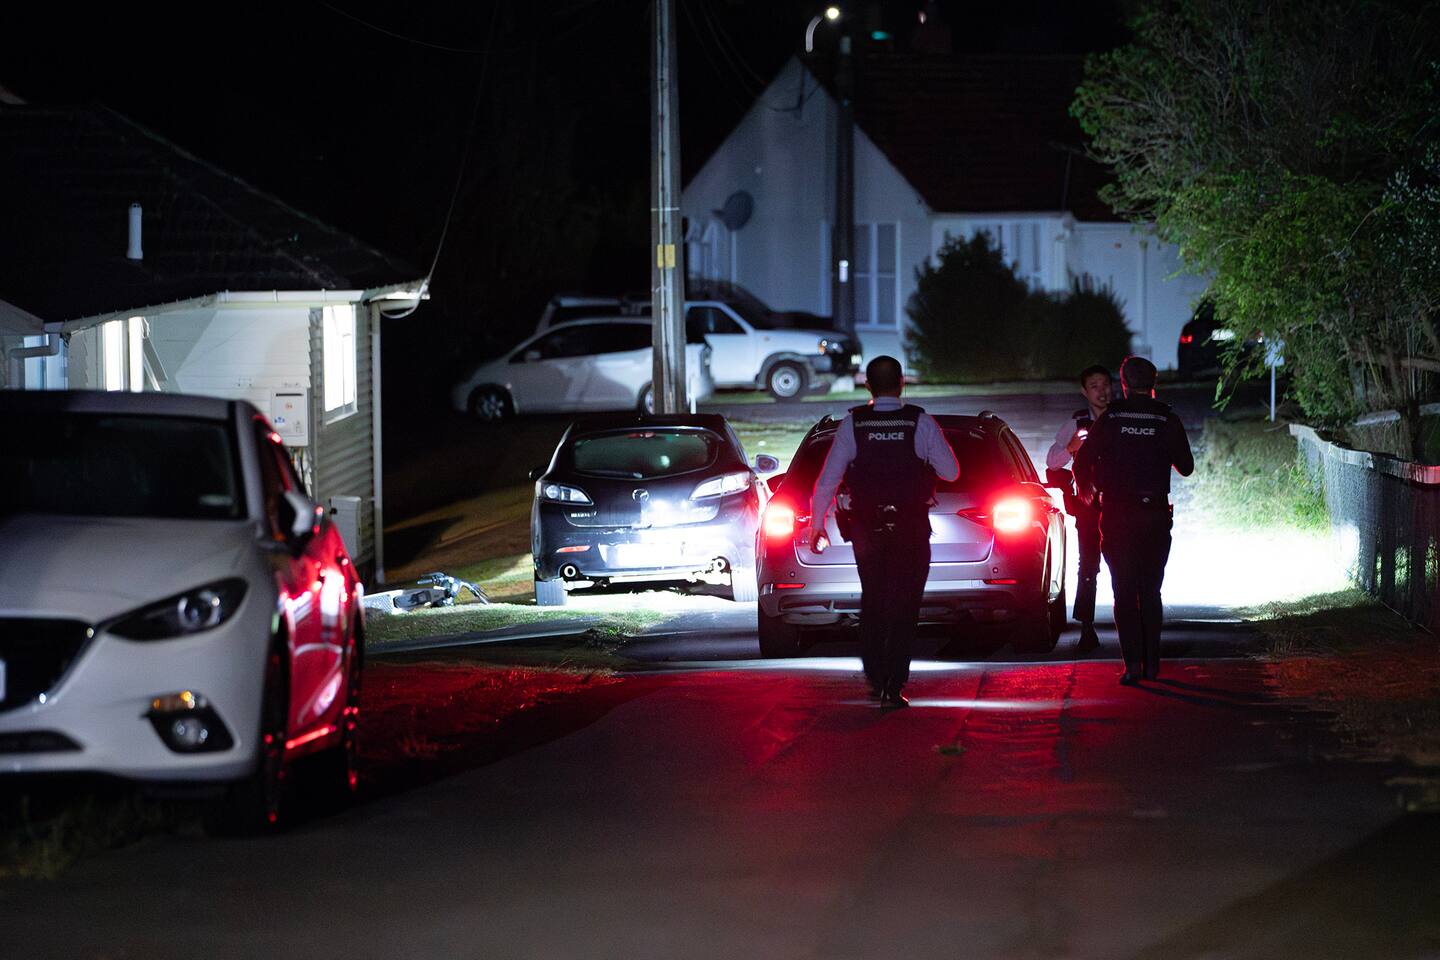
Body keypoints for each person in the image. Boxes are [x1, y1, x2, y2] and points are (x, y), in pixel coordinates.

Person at [809, 356, 959, 708]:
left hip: (868, 528)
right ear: (902, 383)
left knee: (874, 599)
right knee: (906, 604)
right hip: (910, 527)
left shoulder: (854, 424)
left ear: (868, 386)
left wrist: (817, 524)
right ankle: (894, 684)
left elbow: (828, 479)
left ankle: (876, 676)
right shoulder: (920, 422)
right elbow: (951, 472)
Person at [1073, 356, 1194, 685]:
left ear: (1123, 385)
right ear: (1154, 384)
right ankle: (1153, 664)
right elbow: (1186, 467)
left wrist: (1087, 490)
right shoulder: (1166, 418)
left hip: (1116, 516)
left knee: (1124, 591)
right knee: (1151, 591)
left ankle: (1133, 667)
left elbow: (1082, 460)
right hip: (1154, 516)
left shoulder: (1111, 417)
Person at [1045, 364, 1113, 653]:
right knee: (1088, 566)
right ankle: (1086, 626)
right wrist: (1071, 447)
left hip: (1121, 503)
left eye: (1106, 385)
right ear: (1084, 391)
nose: (1102, 391)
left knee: (1127, 566)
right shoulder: (1076, 423)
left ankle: (1134, 621)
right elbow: (1052, 462)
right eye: (1095, 386)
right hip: (1088, 508)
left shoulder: (1121, 418)